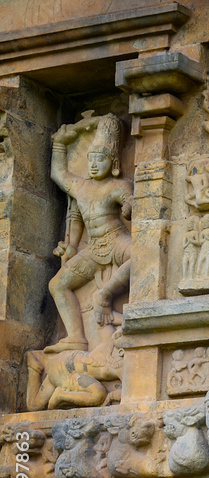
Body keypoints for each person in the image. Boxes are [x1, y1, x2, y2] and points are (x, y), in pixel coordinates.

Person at [46, 112, 132, 353]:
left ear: (113, 163)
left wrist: (128, 206)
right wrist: (60, 144)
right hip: (94, 248)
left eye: (101, 159)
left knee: (139, 258)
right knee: (58, 285)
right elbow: (58, 174)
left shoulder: (117, 186)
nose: (94, 164)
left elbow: (129, 198)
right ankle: (75, 337)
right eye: (91, 159)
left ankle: (104, 295)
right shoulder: (81, 187)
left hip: (116, 240)